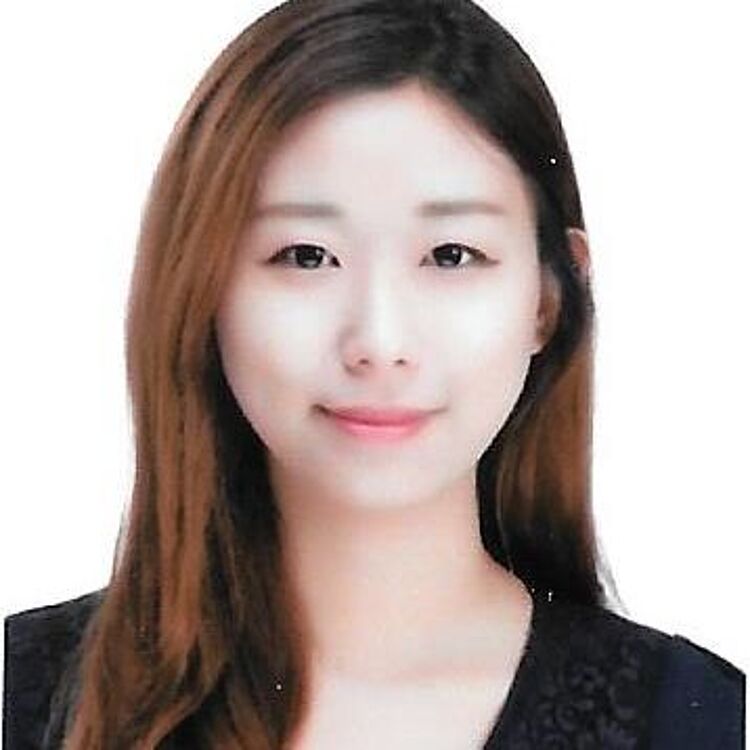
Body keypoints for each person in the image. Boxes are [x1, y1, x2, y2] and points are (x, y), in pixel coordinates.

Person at [3, 0, 744, 747]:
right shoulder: (21, 695)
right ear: (202, 290)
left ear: (549, 299)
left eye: (451, 255)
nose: (380, 342)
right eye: (306, 256)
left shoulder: (699, 719)